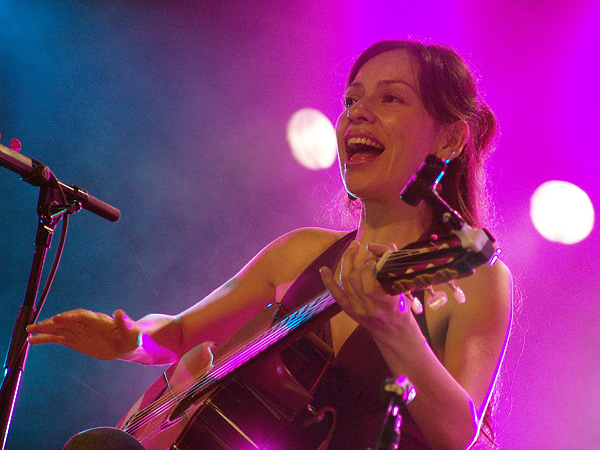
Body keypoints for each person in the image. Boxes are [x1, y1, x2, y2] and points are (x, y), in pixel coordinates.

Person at [27, 39, 512, 450]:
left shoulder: (474, 274)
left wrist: (393, 325)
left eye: (390, 100)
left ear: (449, 140)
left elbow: (457, 433)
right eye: (350, 101)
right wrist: (130, 340)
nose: (356, 114)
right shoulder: (300, 251)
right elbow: (178, 336)